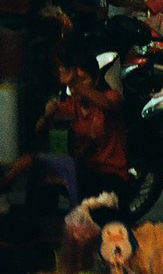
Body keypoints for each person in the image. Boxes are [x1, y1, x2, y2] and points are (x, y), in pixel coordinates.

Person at [37, 52, 129, 205]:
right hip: (82, 171)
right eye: (75, 80)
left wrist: (74, 83)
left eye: (83, 79)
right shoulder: (71, 105)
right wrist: (47, 115)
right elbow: (39, 130)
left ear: (96, 80)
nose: (77, 86)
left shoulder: (111, 96)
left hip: (111, 174)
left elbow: (107, 104)